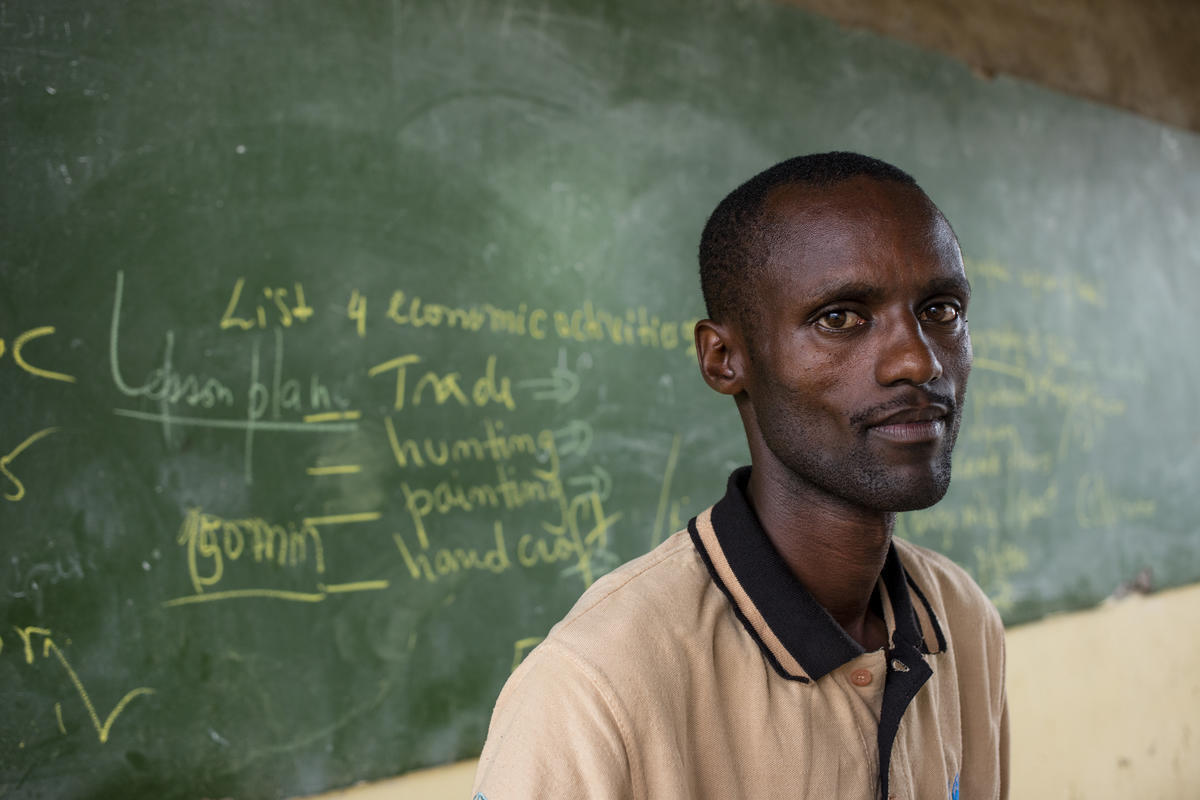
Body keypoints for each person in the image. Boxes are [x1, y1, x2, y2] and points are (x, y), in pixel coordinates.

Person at [472, 152, 1008, 800]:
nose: (917, 361)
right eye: (840, 317)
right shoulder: (596, 688)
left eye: (942, 310)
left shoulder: (961, 621)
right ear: (724, 360)